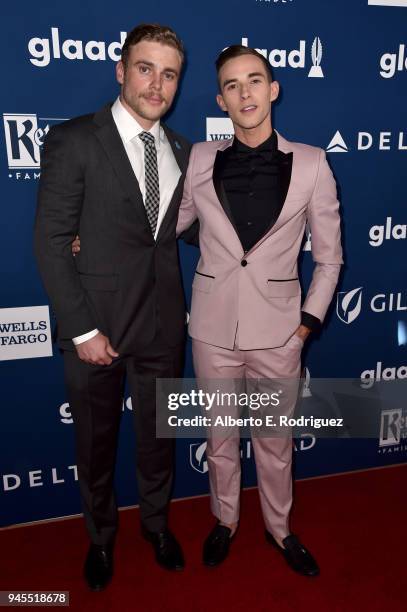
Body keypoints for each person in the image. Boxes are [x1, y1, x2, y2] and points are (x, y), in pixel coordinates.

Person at [176, 45, 343, 576]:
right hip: (211, 329)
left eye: (254, 81)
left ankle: (280, 529)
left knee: (274, 444)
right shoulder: (200, 158)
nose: (244, 92)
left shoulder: (314, 163)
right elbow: (169, 223)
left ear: (273, 90)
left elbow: (330, 258)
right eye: (232, 84)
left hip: (279, 334)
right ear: (221, 99)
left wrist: (305, 326)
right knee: (219, 439)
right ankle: (225, 521)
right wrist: (101, 238)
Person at [34, 23, 190, 591]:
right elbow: (51, 241)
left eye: (168, 73)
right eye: (145, 68)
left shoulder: (183, 150)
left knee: (159, 443)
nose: (156, 84)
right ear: (121, 71)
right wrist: (80, 330)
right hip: (96, 330)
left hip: (163, 326)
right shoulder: (76, 139)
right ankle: (101, 539)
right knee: (95, 446)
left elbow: (188, 232)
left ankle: (156, 526)